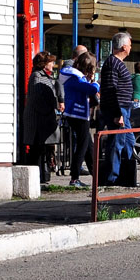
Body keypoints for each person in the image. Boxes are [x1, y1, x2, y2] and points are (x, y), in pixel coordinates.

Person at [98, 32, 136, 186]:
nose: (131, 47)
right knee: (117, 141)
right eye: (130, 45)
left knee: (128, 141)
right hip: (118, 109)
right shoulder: (113, 63)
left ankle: (125, 175)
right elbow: (110, 88)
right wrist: (117, 113)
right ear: (123, 46)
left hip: (123, 109)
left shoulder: (116, 63)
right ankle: (112, 177)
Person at [59, 52, 99, 188]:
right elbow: (91, 89)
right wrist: (95, 83)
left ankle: (97, 176)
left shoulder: (74, 76)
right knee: (82, 147)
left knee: (89, 146)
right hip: (79, 114)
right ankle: (74, 178)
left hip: (77, 114)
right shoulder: (75, 77)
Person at [24, 52, 61, 185]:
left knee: (42, 149)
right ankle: (34, 178)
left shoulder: (45, 77)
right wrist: (48, 110)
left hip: (43, 119)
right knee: (36, 149)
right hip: (38, 120)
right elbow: (36, 99)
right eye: (50, 62)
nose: (53, 64)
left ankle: (42, 177)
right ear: (44, 64)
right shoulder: (37, 77)